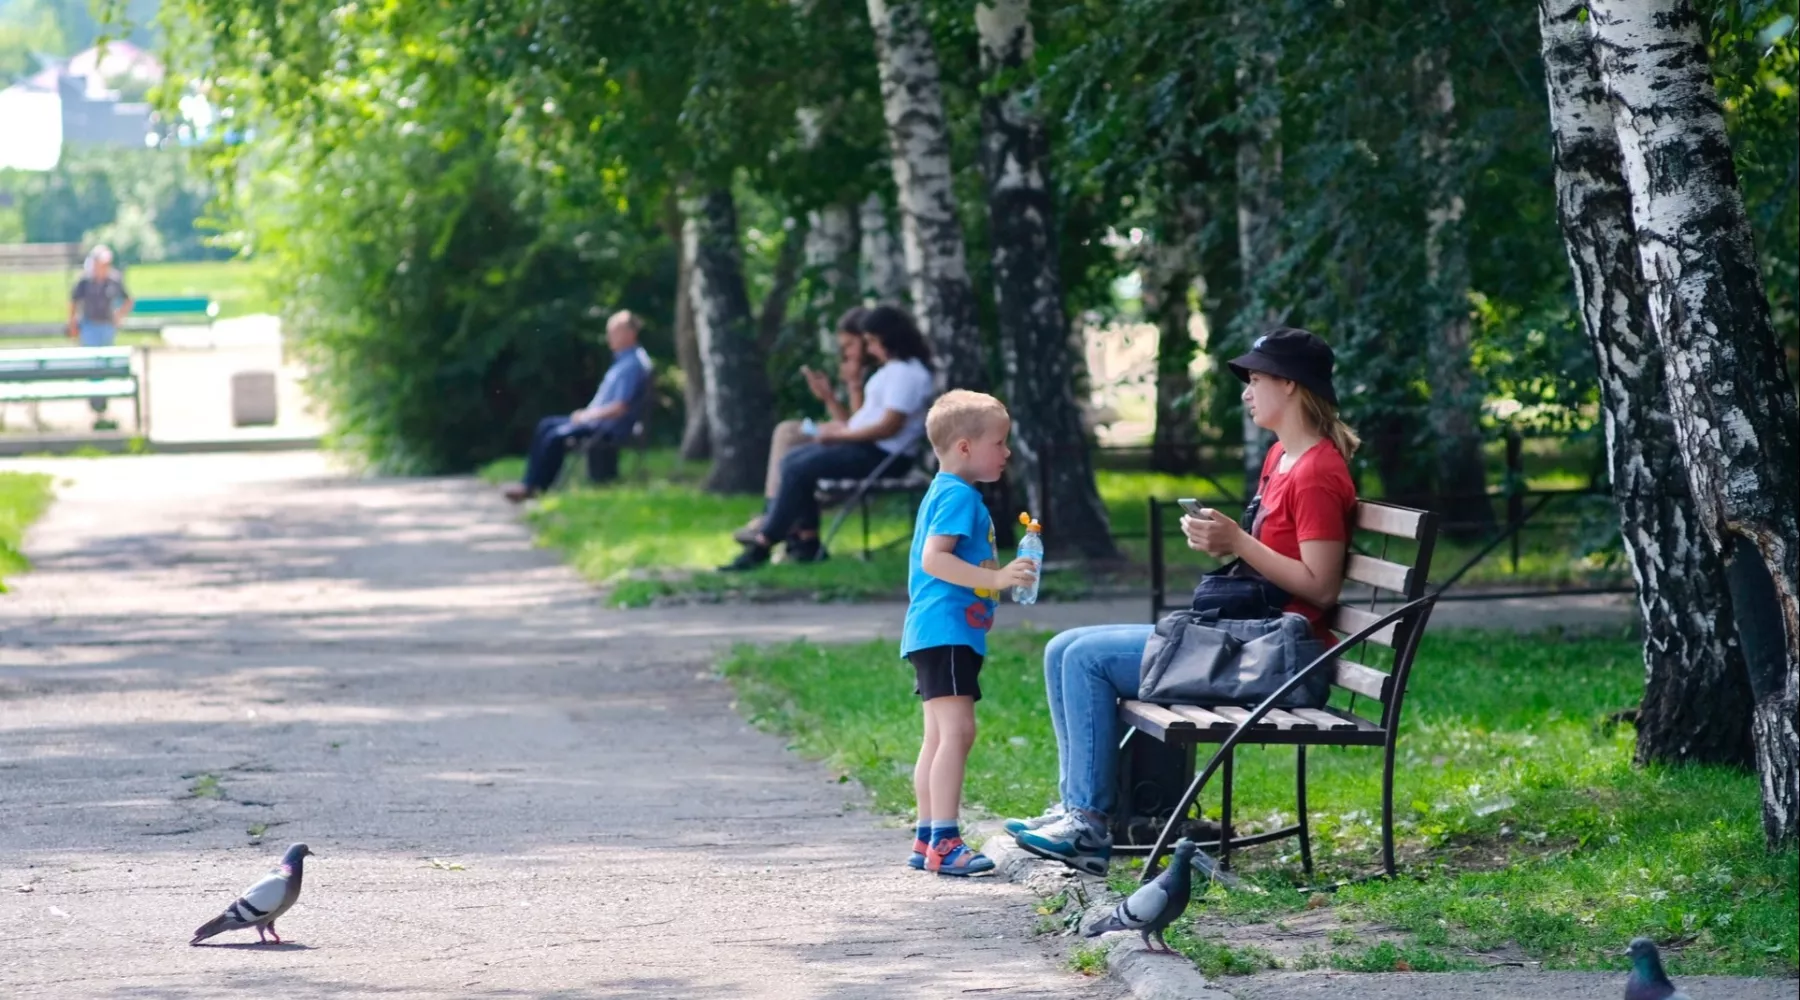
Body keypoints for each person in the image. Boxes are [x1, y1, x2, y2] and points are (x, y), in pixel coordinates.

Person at [1009, 328, 1360, 876]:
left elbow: (1320, 587)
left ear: (1290, 385)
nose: (1246, 390)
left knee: (1086, 658)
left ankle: (1089, 825)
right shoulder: (1281, 458)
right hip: (1253, 641)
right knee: (1063, 646)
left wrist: (1239, 542)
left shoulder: (1315, 472)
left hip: (1283, 660)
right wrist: (1222, 541)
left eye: (1257, 378)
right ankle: (1075, 810)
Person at [901, 390, 1039, 875]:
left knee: (938, 738)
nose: (1005, 453)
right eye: (999, 443)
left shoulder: (945, 490)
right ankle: (945, 839)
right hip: (947, 631)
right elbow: (935, 560)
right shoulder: (959, 496)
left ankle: (925, 838)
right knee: (957, 734)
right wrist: (998, 579)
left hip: (939, 633)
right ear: (964, 447)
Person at [719, 304, 935, 569]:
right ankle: (805, 542)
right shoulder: (892, 371)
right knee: (793, 461)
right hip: (870, 448)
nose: (869, 349)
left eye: (872, 341)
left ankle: (763, 543)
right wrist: (839, 429)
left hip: (884, 456)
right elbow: (866, 419)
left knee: (797, 467)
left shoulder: (908, 374)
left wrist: (843, 436)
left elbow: (887, 427)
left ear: (888, 338)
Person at [734, 306, 871, 544]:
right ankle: (780, 518)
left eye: (850, 345)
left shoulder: (879, 375)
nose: (846, 353)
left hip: (865, 448)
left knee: (791, 444)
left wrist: (854, 386)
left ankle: (775, 520)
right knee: (787, 432)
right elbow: (851, 422)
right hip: (854, 438)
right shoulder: (858, 371)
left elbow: (859, 428)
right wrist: (828, 397)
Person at [503, 311, 653, 502]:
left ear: (631, 333)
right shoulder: (624, 361)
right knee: (546, 425)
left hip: (607, 427)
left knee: (555, 437)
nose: (609, 338)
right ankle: (529, 484)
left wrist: (587, 416)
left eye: (614, 332)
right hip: (599, 422)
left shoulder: (632, 364)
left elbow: (620, 408)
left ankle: (536, 487)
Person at [67, 245, 134, 428]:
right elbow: (74, 302)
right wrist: (73, 323)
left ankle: (102, 402)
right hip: (89, 325)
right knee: (92, 364)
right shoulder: (85, 281)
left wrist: (118, 316)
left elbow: (128, 300)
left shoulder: (113, 280)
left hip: (106, 326)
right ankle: (95, 401)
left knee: (105, 364)